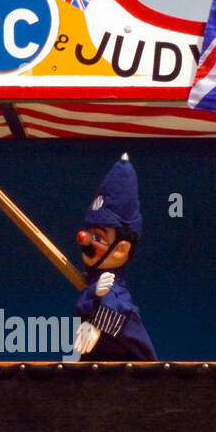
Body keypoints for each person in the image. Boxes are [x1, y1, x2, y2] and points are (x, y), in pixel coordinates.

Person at [73, 153, 157, 361]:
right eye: (88, 233)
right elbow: (85, 303)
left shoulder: (115, 292)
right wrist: (93, 291)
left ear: (120, 249)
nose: (85, 240)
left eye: (98, 237)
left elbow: (121, 305)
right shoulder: (95, 284)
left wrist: (97, 324)